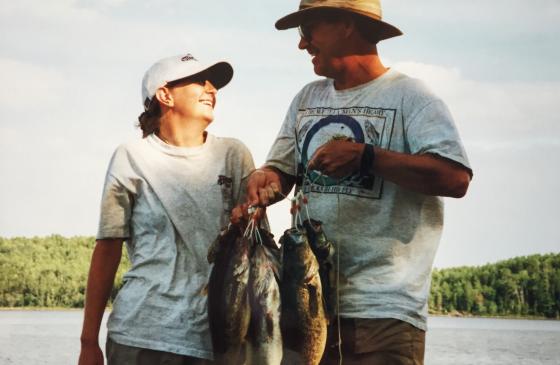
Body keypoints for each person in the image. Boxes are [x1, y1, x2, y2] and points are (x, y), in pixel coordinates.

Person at [237, 1, 473, 364]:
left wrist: (366, 156)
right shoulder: (306, 98)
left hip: (383, 313)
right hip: (302, 304)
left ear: (346, 25)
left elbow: (455, 178)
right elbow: (282, 172)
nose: (302, 44)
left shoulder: (413, 97)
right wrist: (266, 179)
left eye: (308, 29)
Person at [78, 53, 255, 365]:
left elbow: (254, 250)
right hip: (140, 335)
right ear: (164, 94)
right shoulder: (130, 156)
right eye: (200, 81)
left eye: (214, 84)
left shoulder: (234, 154)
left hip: (218, 341)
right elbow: (107, 249)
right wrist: (88, 343)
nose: (211, 89)